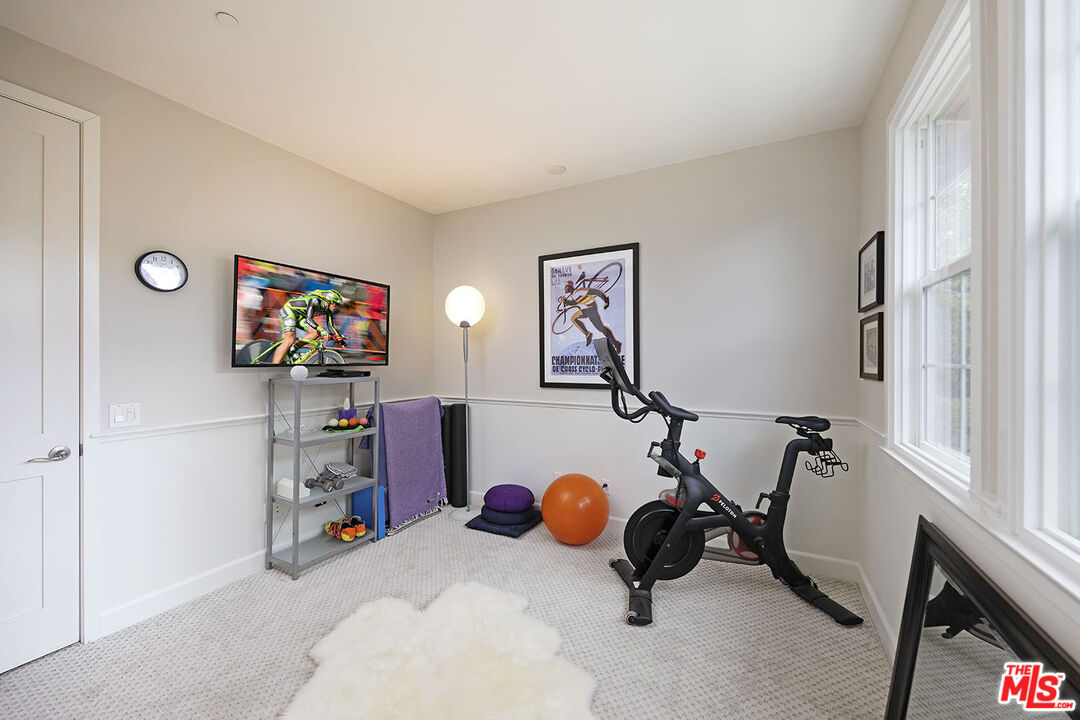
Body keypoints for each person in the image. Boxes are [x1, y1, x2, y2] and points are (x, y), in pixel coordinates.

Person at [271, 289, 346, 364]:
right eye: (335, 304)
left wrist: (339, 339)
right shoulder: (315, 301)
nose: (336, 307)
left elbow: (331, 326)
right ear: (329, 301)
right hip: (289, 311)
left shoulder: (329, 310)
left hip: (300, 316)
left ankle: (294, 348)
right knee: (289, 339)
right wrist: (322, 330)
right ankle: (274, 367)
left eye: (338, 306)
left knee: (316, 332)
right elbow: (309, 319)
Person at [560, 278, 622, 352]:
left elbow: (595, 292)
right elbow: (574, 303)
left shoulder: (580, 291)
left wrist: (606, 300)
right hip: (589, 309)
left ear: (568, 287)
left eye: (565, 287)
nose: (564, 289)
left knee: (600, 328)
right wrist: (566, 302)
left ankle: (615, 343)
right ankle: (590, 335)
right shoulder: (574, 295)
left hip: (591, 308)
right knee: (600, 328)